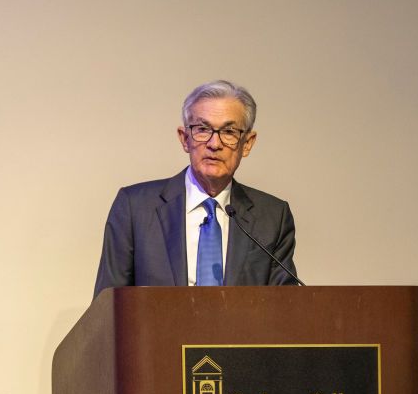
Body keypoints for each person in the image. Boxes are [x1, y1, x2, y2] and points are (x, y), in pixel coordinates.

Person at [93, 80, 298, 299]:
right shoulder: (135, 208)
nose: (214, 143)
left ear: (247, 143)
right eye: (202, 129)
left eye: (229, 131)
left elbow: (285, 309)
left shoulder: (272, 217)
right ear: (184, 138)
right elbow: (107, 309)